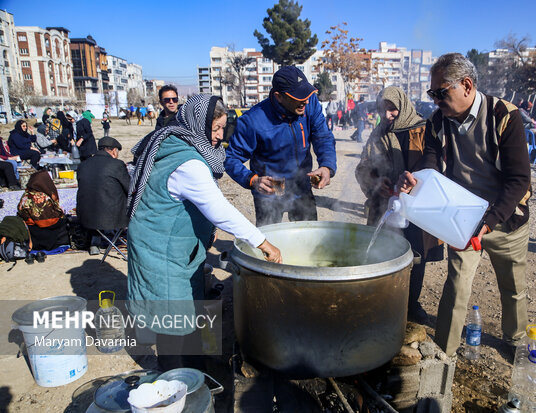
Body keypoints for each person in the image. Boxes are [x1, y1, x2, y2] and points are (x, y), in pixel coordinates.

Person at [126, 94, 281, 370]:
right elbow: (219, 210)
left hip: (167, 241)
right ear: (197, 124)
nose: (219, 136)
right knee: (172, 318)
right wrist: (263, 242)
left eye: (223, 128)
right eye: (215, 129)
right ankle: (175, 379)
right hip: (160, 248)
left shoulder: (176, 140)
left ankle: (194, 370)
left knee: (187, 308)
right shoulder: (189, 163)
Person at [396, 53, 531, 357]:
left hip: (507, 217)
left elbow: (519, 179)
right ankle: (445, 351)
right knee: (457, 286)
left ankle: (514, 338)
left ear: (466, 85)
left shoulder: (504, 116)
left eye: (440, 93)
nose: (435, 100)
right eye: (432, 94)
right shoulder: (438, 121)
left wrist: (490, 221)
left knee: (512, 286)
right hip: (464, 218)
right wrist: (418, 180)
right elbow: (431, 161)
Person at [355, 86, 443, 324]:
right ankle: (383, 300)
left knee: (416, 256)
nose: (387, 115)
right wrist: (375, 181)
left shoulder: (424, 130)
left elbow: (436, 166)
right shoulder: (378, 134)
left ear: (403, 106)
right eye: (383, 110)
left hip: (416, 208)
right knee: (382, 254)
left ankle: (411, 303)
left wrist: (415, 185)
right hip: (385, 207)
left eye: (392, 109)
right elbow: (362, 167)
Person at [224, 66, 337, 226]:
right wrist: (252, 180)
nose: (305, 101)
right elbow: (230, 158)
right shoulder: (252, 120)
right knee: (270, 241)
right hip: (271, 189)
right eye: (298, 97)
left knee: (308, 238)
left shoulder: (310, 103)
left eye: (306, 94)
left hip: (301, 184)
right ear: (278, 96)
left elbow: (323, 136)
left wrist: (327, 166)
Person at [77, 136, 130, 255]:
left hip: (86, 217)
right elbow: (129, 188)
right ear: (114, 151)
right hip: (112, 218)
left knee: (95, 198)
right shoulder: (117, 164)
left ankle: (94, 241)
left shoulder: (83, 165)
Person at [17, 169, 70, 250]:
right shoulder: (43, 197)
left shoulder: (26, 195)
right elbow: (51, 221)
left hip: (29, 233)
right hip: (44, 234)